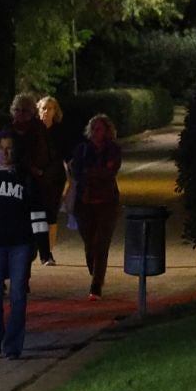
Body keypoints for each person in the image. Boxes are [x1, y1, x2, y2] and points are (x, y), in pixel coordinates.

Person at [0, 129, 53, 360]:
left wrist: (44, 248)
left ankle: (13, 345)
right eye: (1, 148)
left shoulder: (25, 179)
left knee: (17, 296)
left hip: (20, 245)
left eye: (10, 148)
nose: (5, 152)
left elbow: (37, 214)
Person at [68, 113, 125, 298]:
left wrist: (90, 172)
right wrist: (91, 173)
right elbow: (76, 171)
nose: (94, 132)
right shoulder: (82, 149)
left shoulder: (113, 149)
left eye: (98, 128)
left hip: (107, 202)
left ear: (107, 131)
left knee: (101, 242)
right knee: (89, 244)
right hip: (84, 202)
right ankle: (95, 271)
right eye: (92, 128)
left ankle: (96, 284)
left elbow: (110, 171)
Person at [36, 95, 74, 253]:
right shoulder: (33, 132)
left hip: (55, 179)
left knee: (51, 214)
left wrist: (71, 182)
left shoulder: (60, 132)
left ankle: (48, 251)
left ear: (55, 112)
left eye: (50, 108)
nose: (46, 112)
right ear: (38, 110)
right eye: (44, 108)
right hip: (36, 179)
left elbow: (68, 158)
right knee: (36, 213)